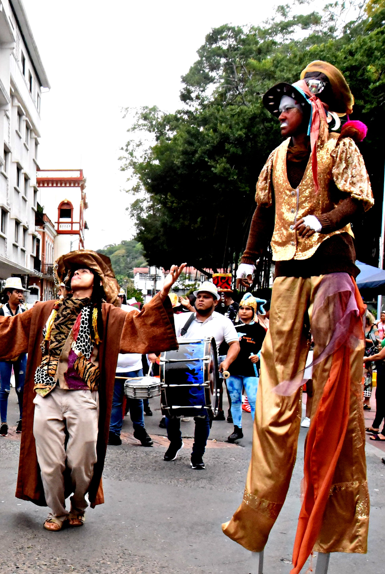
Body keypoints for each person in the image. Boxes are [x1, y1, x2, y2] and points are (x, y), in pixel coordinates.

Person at [224, 61, 373, 571]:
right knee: (275, 391)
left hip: (331, 270)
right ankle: (256, 516)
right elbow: (262, 210)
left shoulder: (340, 147)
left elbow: (359, 199)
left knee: (335, 393)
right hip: (287, 274)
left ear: (313, 107)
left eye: (288, 108)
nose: (280, 115)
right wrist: (248, 259)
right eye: (279, 109)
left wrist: (324, 219)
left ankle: (331, 528)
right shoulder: (274, 156)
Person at [0, 252, 182, 531]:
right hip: (46, 393)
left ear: (97, 280)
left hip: (84, 394)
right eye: (73, 271)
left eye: (84, 270)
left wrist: (162, 293)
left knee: (83, 461)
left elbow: (139, 326)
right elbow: (10, 327)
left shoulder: (107, 313)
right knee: (50, 462)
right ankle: (57, 512)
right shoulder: (45, 310)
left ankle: (78, 506)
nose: (76, 273)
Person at [165, 281, 240, 469]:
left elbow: (235, 344)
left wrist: (226, 362)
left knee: (203, 416)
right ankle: (175, 442)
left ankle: (197, 454)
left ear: (215, 301)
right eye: (199, 296)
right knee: (171, 412)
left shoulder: (223, 321)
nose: (200, 300)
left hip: (206, 375)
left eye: (206, 297)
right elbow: (166, 338)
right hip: (178, 371)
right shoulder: (182, 319)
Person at [109, 302, 154, 447]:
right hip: (114, 367)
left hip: (134, 366)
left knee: (137, 401)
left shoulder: (131, 311)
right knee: (115, 402)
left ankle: (139, 429)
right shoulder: (104, 313)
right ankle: (113, 432)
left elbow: (145, 331)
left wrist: (151, 351)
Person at [226, 294, 267, 443]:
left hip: (251, 370)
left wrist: (258, 356)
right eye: (242, 308)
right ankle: (237, 429)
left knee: (254, 400)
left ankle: (258, 433)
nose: (244, 311)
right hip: (233, 369)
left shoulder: (260, 330)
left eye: (248, 309)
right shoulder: (231, 328)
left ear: (253, 311)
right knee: (235, 399)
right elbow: (223, 347)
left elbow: (266, 347)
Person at [0, 277, 28, 435]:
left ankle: (22, 420)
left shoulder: (24, 311)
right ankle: (3, 422)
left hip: (20, 353)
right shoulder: (0, 311)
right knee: (5, 389)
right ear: (9, 293)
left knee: (21, 389)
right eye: (17, 292)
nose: (20, 295)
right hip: (5, 353)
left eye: (21, 292)